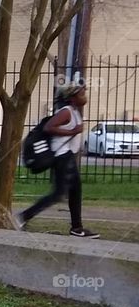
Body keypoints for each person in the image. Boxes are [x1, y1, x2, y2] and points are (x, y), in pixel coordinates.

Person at [16, 81, 99, 237]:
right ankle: (24, 216)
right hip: (62, 157)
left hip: (66, 156)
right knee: (59, 193)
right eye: (81, 94)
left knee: (74, 191)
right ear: (72, 98)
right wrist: (74, 131)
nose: (84, 96)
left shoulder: (74, 111)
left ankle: (77, 228)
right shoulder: (66, 112)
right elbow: (49, 127)